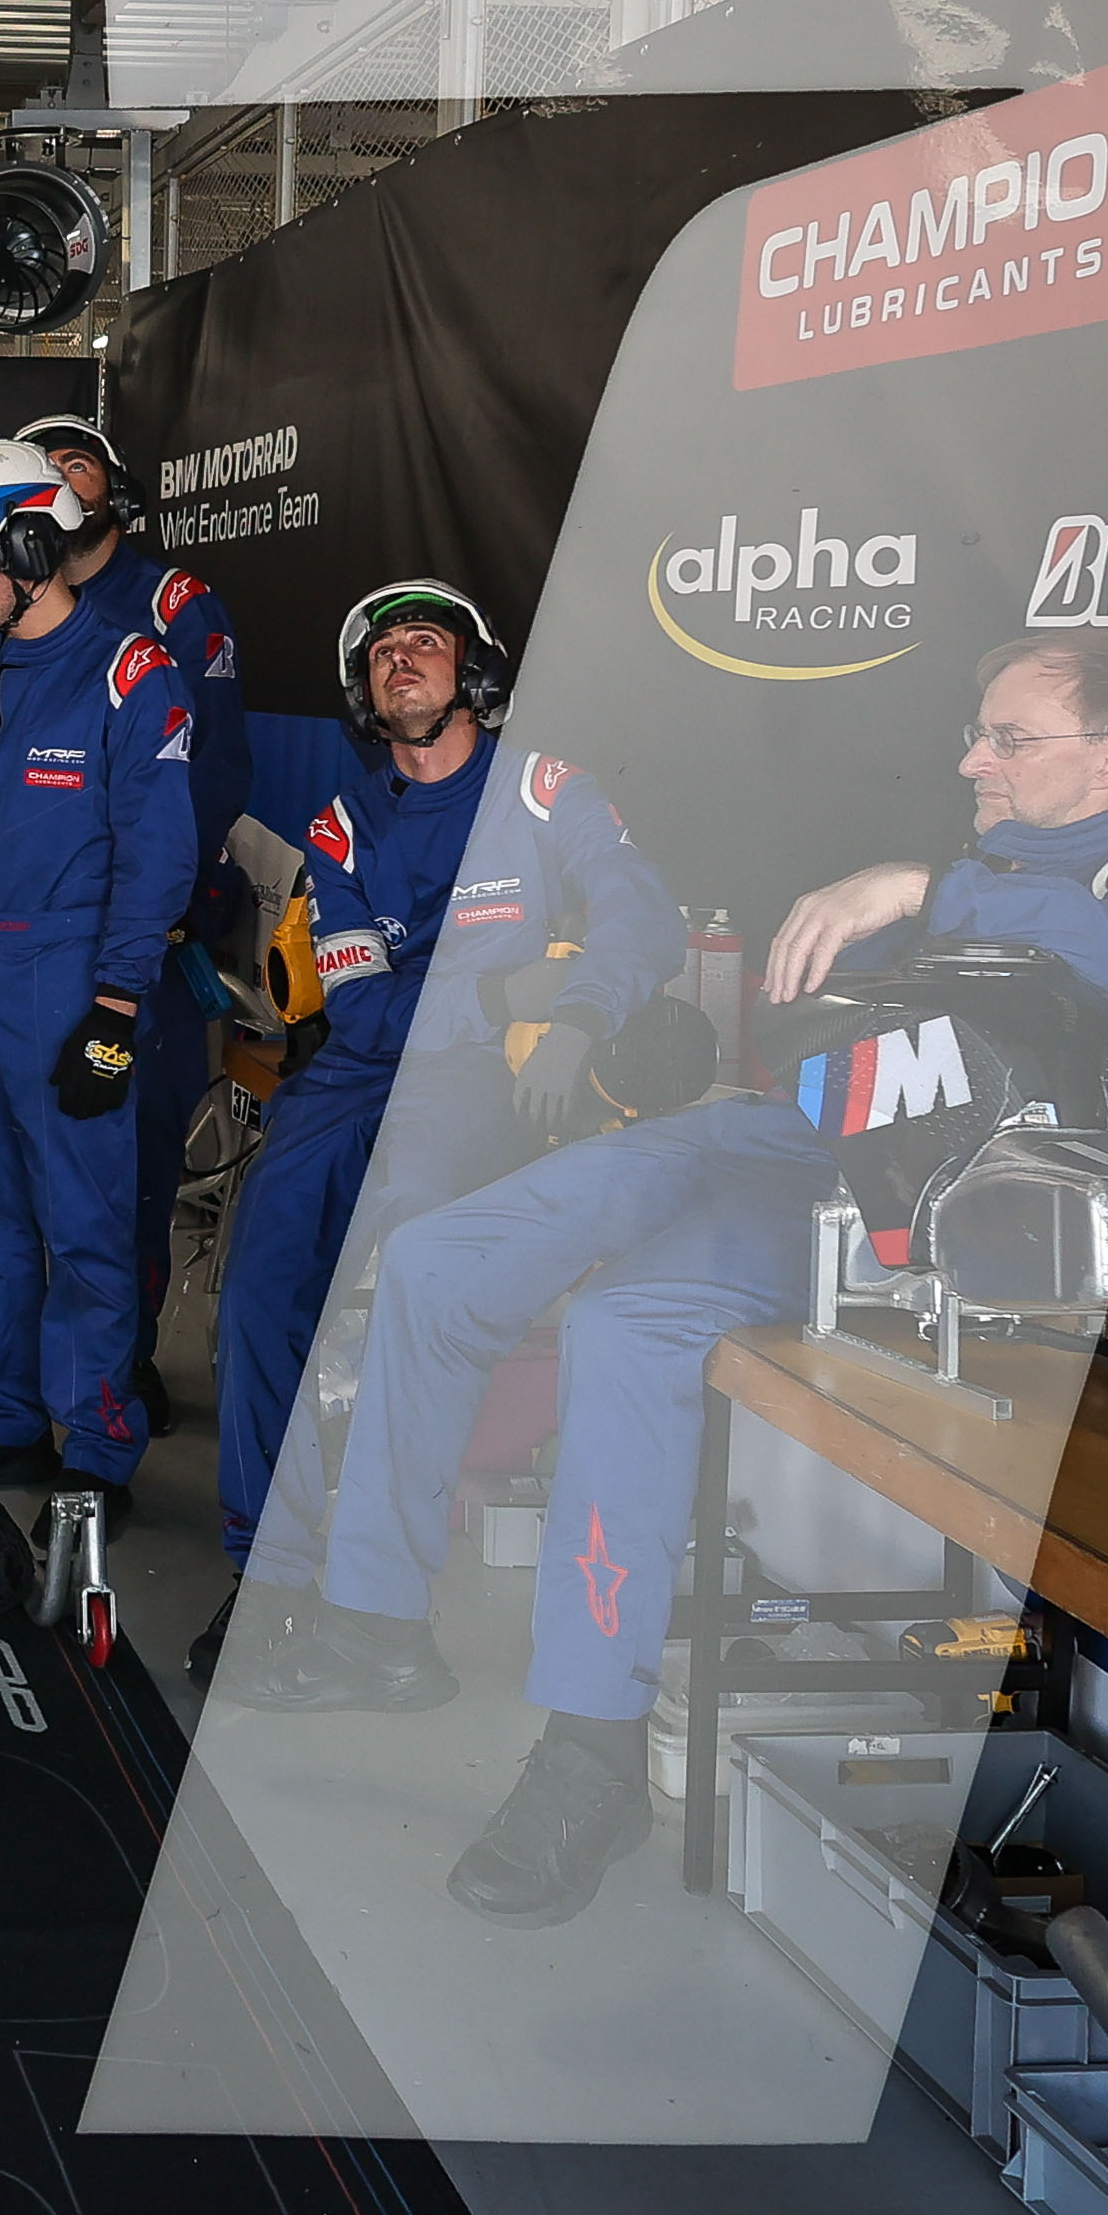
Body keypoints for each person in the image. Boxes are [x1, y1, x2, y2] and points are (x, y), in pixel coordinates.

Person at [219, 634, 1108, 1935]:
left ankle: (588, 1752)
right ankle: (374, 1624)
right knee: (434, 1256)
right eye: (976, 733)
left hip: (901, 1210)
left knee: (625, 1325)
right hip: (783, 1130)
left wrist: (922, 887)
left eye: (1006, 738)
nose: (972, 759)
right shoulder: (993, 865)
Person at [204, 582, 674, 1574]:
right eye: (381, 653)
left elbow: (641, 915)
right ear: (362, 694)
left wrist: (578, 1018)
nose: (400, 659)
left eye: (424, 641)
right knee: (257, 1286)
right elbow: (364, 1011)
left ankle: (381, 1575)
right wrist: (505, 994)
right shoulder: (339, 827)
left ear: (476, 674)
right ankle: (266, 1569)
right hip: (356, 1075)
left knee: (416, 1254)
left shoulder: (543, 788)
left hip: (489, 1080)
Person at [0, 440, 202, 1520]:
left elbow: (157, 855)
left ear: (25, 545)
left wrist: (115, 1004)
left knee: (84, 1222)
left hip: (69, 976)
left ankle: (98, 1442)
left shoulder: (128, 673)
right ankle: (8, 1419)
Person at [12, 414, 244, 1397]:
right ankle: (36, 1373)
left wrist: (156, 905)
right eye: (43, 468)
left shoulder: (171, 603)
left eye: (79, 463)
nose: (63, 479)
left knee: (136, 1155)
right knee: (32, 1156)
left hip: (142, 934)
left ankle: (123, 1363)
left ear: (114, 486)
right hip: (35, 938)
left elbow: (215, 769)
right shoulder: (2, 605)